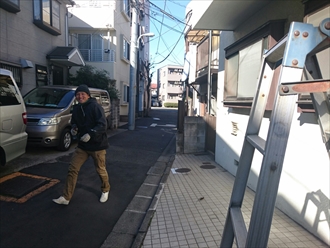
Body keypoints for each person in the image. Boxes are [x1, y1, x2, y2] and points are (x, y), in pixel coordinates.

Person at [53, 84, 110, 205]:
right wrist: (74, 128)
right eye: (78, 94)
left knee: (100, 170)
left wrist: (91, 133)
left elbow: (102, 125)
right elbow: (74, 122)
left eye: (82, 94)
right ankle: (66, 197)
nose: (80, 96)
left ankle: (105, 189)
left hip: (97, 145)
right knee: (72, 169)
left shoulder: (95, 107)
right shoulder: (77, 109)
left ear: (88, 95)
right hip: (83, 146)